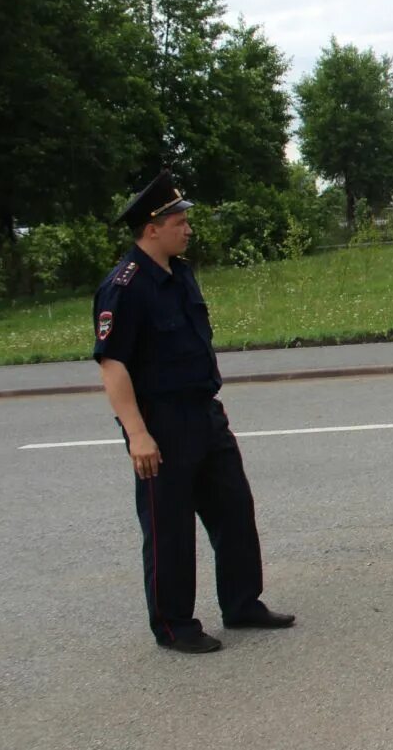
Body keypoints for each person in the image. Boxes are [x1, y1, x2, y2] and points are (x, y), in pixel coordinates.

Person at [92, 170, 293, 654]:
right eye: (179, 221)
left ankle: (243, 604)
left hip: (204, 413)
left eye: (185, 219)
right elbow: (113, 365)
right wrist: (137, 434)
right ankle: (174, 624)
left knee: (234, 511)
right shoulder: (125, 286)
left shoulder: (179, 273)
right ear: (151, 227)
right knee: (170, 528)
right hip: (160, 422)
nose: (187, 228)